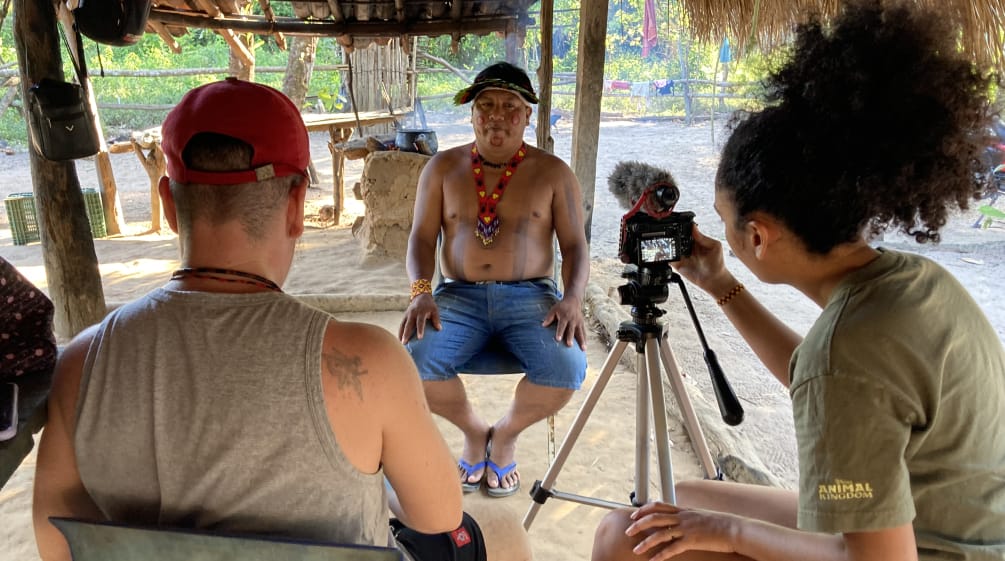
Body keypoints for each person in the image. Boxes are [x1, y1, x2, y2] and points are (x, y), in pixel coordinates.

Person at [31, 78, 531, 561]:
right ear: (296, 207)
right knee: (503, 532)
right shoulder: (367, 362)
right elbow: (439, 515)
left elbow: (58, 544)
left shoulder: (81, 365)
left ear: (168, 200)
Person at [592, 1, 1005, 560]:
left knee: (627, 539)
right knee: (676, 498)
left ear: (758, 236)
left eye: (723, 214)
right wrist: (720, 284)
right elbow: (824, 377)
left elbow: (878, 558)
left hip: (925, 549)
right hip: (934, 517)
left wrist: (725, 532)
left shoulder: (843, 356)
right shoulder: (913, 282)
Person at [398, 61, 590, 497]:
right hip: (457, 297)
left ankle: (503, 437)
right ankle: (473, 432)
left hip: (532, 297)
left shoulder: (553, 172)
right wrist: (420, 293)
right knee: (412, 359)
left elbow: (576, 247)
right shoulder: (443, 168)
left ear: (527, 115)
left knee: (567, 365)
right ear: (471, 113)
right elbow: (421, 238)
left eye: (510, 105)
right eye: (486, 105)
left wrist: (572, 298)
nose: (497, 115)